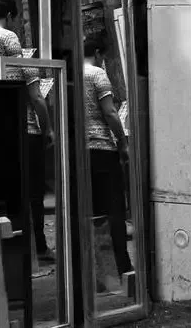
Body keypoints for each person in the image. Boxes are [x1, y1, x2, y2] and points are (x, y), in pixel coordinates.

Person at [0, 0, 55, 262]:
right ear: (10, 16)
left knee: (2, 192)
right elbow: (34, 92)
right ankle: (39, 247)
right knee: (34, 192)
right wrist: (47, 128)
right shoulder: (9, 38)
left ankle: (9, 250)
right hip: (22, 128)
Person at [83, 37, 133, 288]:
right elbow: (111, 112)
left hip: (80, 152)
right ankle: (122, 265)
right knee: (114, 209)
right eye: (102, 55)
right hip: (103, 148)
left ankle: (98, 271)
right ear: (96, 52)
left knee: (93, 212)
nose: (103, 60)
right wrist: (122, 142)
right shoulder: (97, 74)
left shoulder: (70, 75)